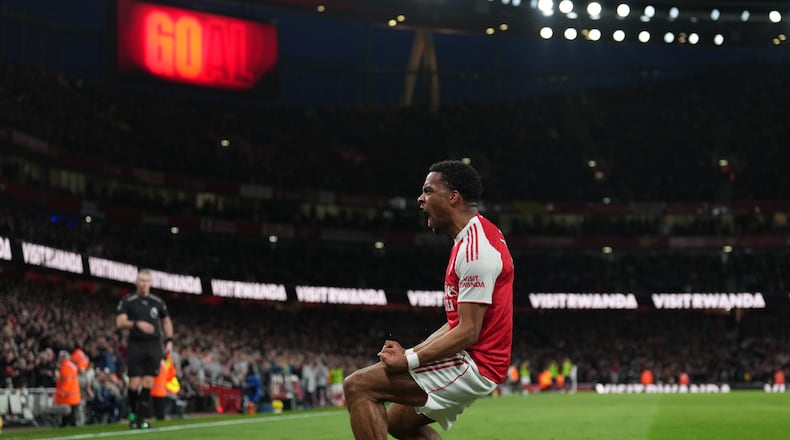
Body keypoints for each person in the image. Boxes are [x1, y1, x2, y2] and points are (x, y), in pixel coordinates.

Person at [343, 160, 514, 439]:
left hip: (474, 363)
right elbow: (456, 323)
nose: (420, 199)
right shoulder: (476, 236)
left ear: (453, 197)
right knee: (399, 424)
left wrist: (409, 360)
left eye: (428, 191)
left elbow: (468, 331)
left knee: (357, 386)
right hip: (474, 358)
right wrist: (411, 353)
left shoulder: (476, 251)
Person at [116, 269, 174, 429]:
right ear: (136, 282)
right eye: (141, 280)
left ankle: (140, 420)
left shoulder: (158, 302)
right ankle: (133, 415)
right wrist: (136, 324)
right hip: (136, 344)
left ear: (150, 283)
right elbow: (120, 322)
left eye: (146, 281)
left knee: (149, 381)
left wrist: (169, 340)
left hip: (153, 344)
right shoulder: (128, 301)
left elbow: (166, 321)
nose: (143, 284)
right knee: (134, 383)